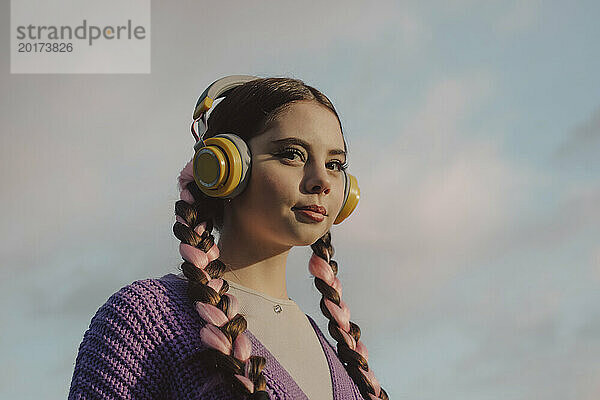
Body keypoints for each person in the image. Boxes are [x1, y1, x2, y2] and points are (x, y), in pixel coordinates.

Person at [68, 75, 388, 399]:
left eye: (335, 164)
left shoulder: (341, 360)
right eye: (292, 154)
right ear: (226, 168)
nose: (322, 180)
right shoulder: (146, 318)